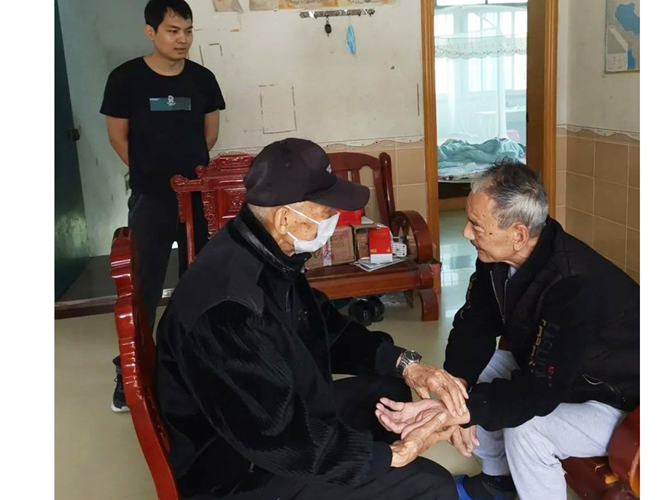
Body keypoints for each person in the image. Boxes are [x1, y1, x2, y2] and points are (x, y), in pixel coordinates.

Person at [154, 138, 470, 500]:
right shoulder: (228, 309)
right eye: (326, 212)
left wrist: (406, 365)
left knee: (388, 392)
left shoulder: (266, 252)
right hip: (237, 471)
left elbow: (325, 329)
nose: (335, 222)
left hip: (275, 413)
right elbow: (276, 437)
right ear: (286, 217)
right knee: (432, 485)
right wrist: (393, 455)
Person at [375, 162, 640, 500]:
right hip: (568, 376)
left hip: (622, 402)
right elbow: (474, 325)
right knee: (480, 371)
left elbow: (541, 392)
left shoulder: (575, 285)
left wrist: (458, 414)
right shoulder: (498, 258)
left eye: (475, 225)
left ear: (517, 233)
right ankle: (497, 481)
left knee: (528, 429)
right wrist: (454, 392)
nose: (466, 234)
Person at [100, 0, 226, 412]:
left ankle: (193, 363)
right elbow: (118, 137)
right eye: (173, 30)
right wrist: (152, 175)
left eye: (188, 31)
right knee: (144, 285)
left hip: (197, 196)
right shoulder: (125, 80)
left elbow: (209, 136)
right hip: (152, 198)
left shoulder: (202, 79)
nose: (183, 39)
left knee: (200, 281)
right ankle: (132, 371)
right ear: (150, 32)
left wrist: (186, 179)